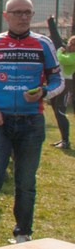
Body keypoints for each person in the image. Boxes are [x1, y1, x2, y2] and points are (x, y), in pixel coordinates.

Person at [0, 0, 63, 249]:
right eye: (18, 12)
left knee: (25, 182)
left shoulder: (43, 43)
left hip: (31, 122)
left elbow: (58, 80)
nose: (23, 17)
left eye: (28, 12)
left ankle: (23, 234)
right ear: (6, 16)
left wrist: (44, 92)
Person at [46, 15, 75, 149]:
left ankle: (66, 142)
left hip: (66, 85)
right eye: (71, 43)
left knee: (61, 112)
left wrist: (59, 51)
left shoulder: (71, 56)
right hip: (56, 83)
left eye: (74, 44)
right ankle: (63, 139)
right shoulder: (64, 50)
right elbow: (56, 38)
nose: (71, 45)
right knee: (56, 111)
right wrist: (51, 22)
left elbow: (62, 60)